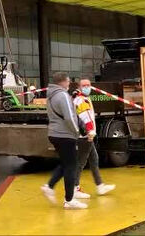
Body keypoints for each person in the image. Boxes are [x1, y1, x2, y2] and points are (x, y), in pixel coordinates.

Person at [40, 72, 87, 209]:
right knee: (71, 166)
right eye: (68, 82)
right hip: (65, 135)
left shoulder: (51, 95)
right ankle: (69, 200)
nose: (69, 84)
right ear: (63, 82)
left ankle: (49, 186)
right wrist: (77, 132)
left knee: (66, 163)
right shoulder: (62, 96)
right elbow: (69, 117)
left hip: (55, 133)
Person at [72, 79, 116, 198]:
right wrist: (90, 131)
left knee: (93, 159)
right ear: (79, 87)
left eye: (88, 85)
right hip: (84, 136)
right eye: (84, 85)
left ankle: (100, 185)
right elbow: (85, 118)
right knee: (81, 162)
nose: (87, 87)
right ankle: (74, 189)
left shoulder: (83, 98)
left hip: (86, 135)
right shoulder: (80, 100)